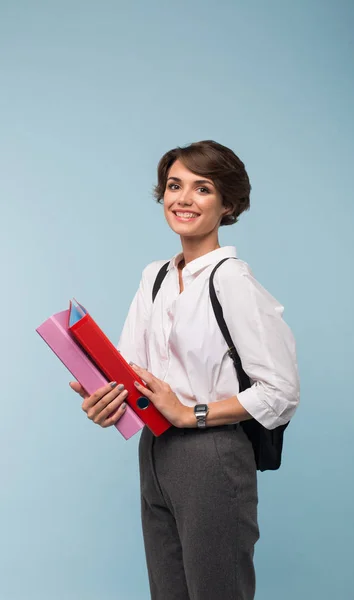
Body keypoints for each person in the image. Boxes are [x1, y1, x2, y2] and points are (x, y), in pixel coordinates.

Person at [70, 140, 300, 600]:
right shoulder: (154, 275)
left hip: (211, 454)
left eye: (203, 188)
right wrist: (104, 400)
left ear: (227, 204)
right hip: (153, 450)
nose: (183, 199)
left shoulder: (231, 279)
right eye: (175, 186)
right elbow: (132, 372)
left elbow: (281, 392)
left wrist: (189, 413)